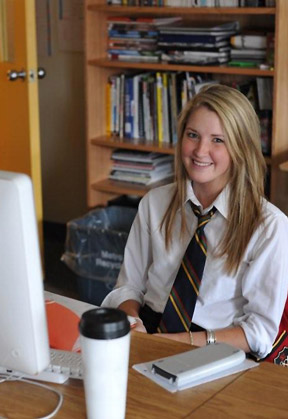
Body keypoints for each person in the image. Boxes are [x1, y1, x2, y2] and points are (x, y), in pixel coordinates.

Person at [101, 84, 288, 360]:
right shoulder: (155, 203)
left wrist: (175, 343)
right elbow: (128, 286)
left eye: (218, 140)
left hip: (218, 345)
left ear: (240, 147)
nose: (200, 150)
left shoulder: (269, 226)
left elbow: (259, 331)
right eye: (193, 135)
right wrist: (133, 322)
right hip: (151, 330)